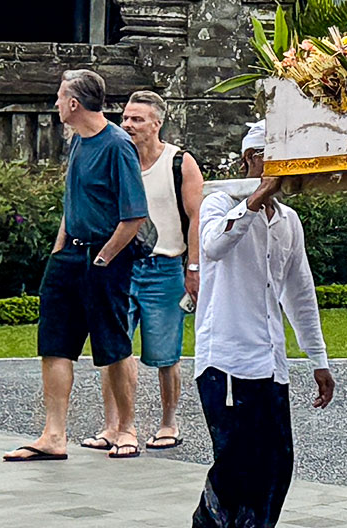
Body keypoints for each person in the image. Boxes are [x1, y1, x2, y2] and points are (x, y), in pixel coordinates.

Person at [193, 122, 336, 528]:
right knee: (235, 465)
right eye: (271, 159)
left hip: (271, 363)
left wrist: (318, 359)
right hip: (227, 360)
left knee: (276, 464)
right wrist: (257, 198)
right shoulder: (220, 203)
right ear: (249, 161)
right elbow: (214, 247)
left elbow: (300, 292)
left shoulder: (288, 220)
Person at [7, 69, 150, 462]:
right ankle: (54, 435)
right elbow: (73, 203)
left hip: (104, 259)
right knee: (54, 345)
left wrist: (104, 257)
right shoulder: (78, 143)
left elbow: (134, 214)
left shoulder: (117, 146)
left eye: (59, 97)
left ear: (74, 103)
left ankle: (126, 429)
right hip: (69, 256)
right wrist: (59, 249)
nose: (55, 104)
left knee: (113, 345)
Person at [121, 90, 206, 451]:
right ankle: (121, 426)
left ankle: (169, 422)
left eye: (137, 119)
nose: (128, 125)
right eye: (125, 118)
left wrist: (194, 267)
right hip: (121, 268)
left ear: (157, 123)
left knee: (165, 354)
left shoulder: (180, 162)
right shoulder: (119, 159)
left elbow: (197, 217)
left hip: (166, 267)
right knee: (115, 350)